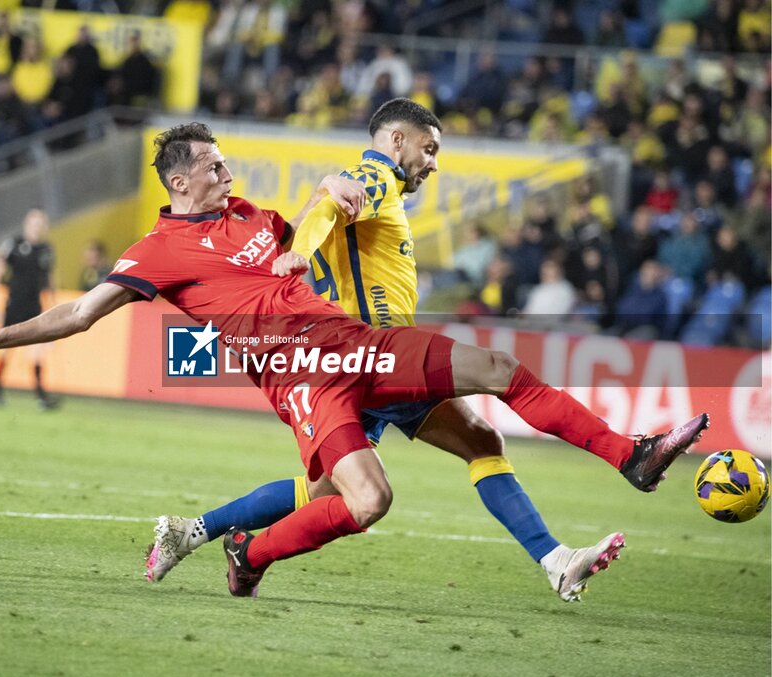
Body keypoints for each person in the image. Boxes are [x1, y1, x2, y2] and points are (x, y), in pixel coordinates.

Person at [0, 122, 709, 599]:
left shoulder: (252, 217)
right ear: (178, 180)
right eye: (211, 165)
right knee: (366, 502)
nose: (225, 172)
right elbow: (81, 311)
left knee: (499, 371)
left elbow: (311, 225)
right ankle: (247, 551)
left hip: (358, 341)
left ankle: (630, 456)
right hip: (300, 375)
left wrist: (335, 190)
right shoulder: (155, 251)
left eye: (224, 162)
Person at [146, 99, 613, 602]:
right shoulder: (372, 176)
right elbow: (320, 217)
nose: (433, 162)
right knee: (377, 483)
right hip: (361, 359)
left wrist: (320, 196)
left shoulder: (337, 192)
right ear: (396, 140)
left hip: (359, 357)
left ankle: (197, 531)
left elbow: (307, 220)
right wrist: (307, 239)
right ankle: (574, 529)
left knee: (349, 483)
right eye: (428, 148)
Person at [0, 208, 59, 410]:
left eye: (40, 224)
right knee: (6, 349)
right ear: (26, 223)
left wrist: (54, 306)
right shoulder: (13, 244)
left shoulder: (46, 250)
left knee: (37, 351)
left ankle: (40, 396)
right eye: (34, 223)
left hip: (35, 305)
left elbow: (49, 281)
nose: (37, 227)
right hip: (15, 303)